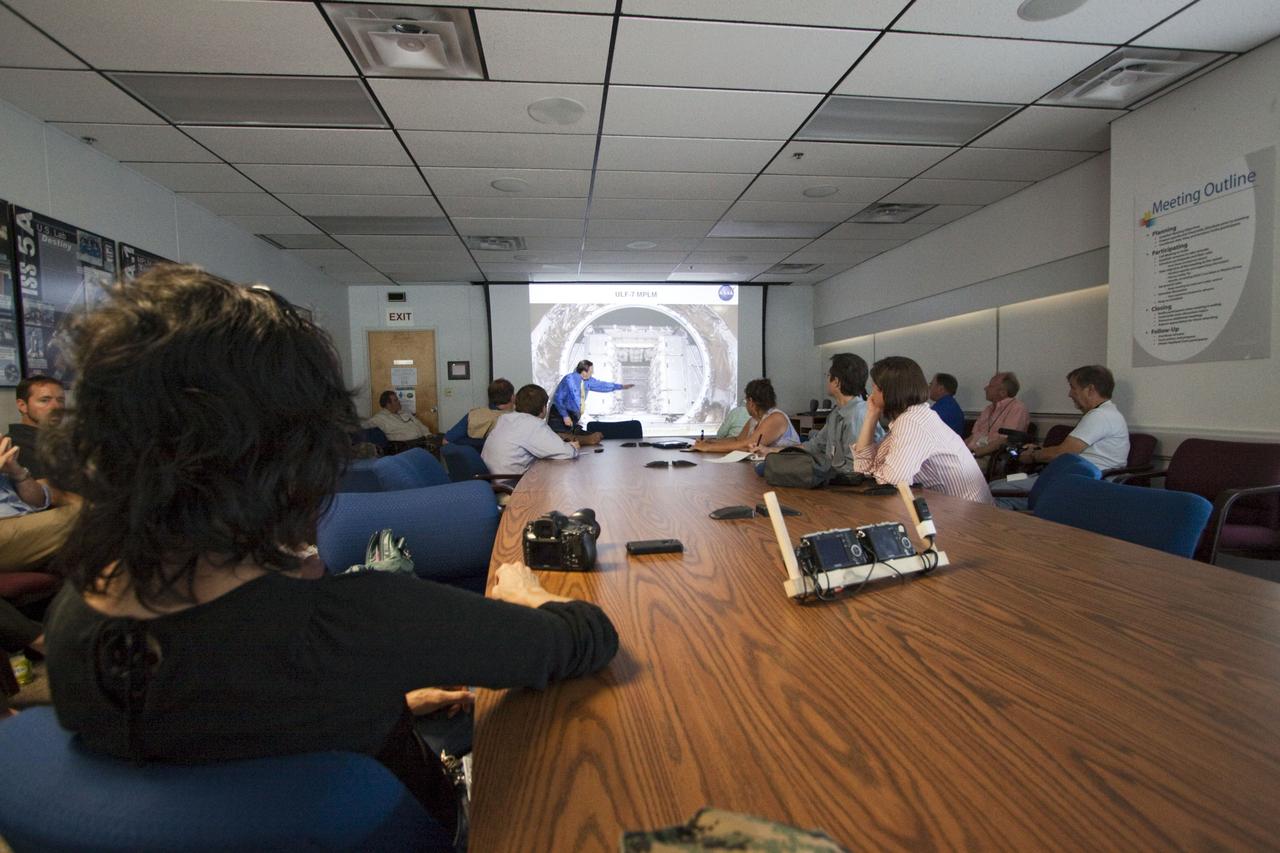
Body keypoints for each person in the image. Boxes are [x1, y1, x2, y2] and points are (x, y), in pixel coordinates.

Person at [41, 267, 618, 842]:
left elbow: (218, 726)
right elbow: (586, 638)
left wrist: (368, 701)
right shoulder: (352, 622)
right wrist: (530, 596)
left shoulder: (73, 615)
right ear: (298, 451)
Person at [853, 357, 992, 504]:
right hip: (949, 509)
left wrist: (876, 469)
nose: (871, 394)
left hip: (970, 517)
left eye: (874, 387)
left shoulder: (913, 421)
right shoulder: (910, 417)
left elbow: (891, 481)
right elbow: (863, 468)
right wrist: (871, 415)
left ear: (889, 390)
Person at [988, 365, 1129, 508]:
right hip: (1072, 477)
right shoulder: (1107, 414)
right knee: (996, 485)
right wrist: (1038, 450)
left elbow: (1063, 453)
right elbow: (1070, 451)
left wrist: (1032, 456)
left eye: (1073, 388)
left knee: (995, 491)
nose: (1070, 394)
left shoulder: (1100, 416)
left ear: (1090, 389)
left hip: (1080, 484)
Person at [752, 354, 883, 479]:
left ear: (836, 382)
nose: (827, 379)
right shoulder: (836, 413)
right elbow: (812, 446)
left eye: (828, 375)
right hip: (835, 479)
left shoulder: (858, 415)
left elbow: (854, 469)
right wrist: (770, 451)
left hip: (852, 487)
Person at [0, 434, 79, 574]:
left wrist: (17, 473)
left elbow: (39, 502)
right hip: (4, 529)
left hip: (26, 522)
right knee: (90, 514)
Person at [482, 383, 580, 477]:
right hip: (510, 486)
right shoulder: (533, 424)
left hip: (492, 482)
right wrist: (573, 447)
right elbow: (567, 453)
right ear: (543, 408)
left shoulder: (505, 419)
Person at [691, 378, 799, 453]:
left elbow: (748, 444)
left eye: (745, 400)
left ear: (751, 402)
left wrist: (708, 448)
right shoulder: (754, 420)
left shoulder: (776, 418)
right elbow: (737, 440)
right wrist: (710, 442)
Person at [548, 359, 633, 434]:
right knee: (561, 441)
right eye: (591, 371)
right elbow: (558, 399)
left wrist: (620, 386)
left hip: (573, 416)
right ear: (584, 372)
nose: (592, 373)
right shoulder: (568, 379)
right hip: (559, 417)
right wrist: (565, 416)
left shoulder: (588, 381)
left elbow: (602, 385)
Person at [8, 374, 65, 479]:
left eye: (60, 400)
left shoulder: (67, 442)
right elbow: (46, 492)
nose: (56, 407)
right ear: (22, 406)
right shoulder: (13, 447)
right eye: (45, 400)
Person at [965, 372, 1030, 458]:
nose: (985, 388)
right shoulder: (988, 409)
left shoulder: (1017, 408)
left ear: (1003, 392)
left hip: (992, 457)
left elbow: (1005, 441)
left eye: (990, 386)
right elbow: (973, 435)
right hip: (972, 454)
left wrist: (973, 454)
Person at [442, 378, 514, 451]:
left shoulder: (473, 414)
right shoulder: (516, 419)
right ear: (512, 397)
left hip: (474, 460)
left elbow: (446, 440)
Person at [362, 389, 433, 443]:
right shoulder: (379, 418)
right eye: (396, 400)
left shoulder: (405, 413)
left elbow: (419, 425)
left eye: (397, 399)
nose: (399, 402)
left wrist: (427, 434)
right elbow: (364, 426)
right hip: (403, 447)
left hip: (422, 442)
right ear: (388, 404)